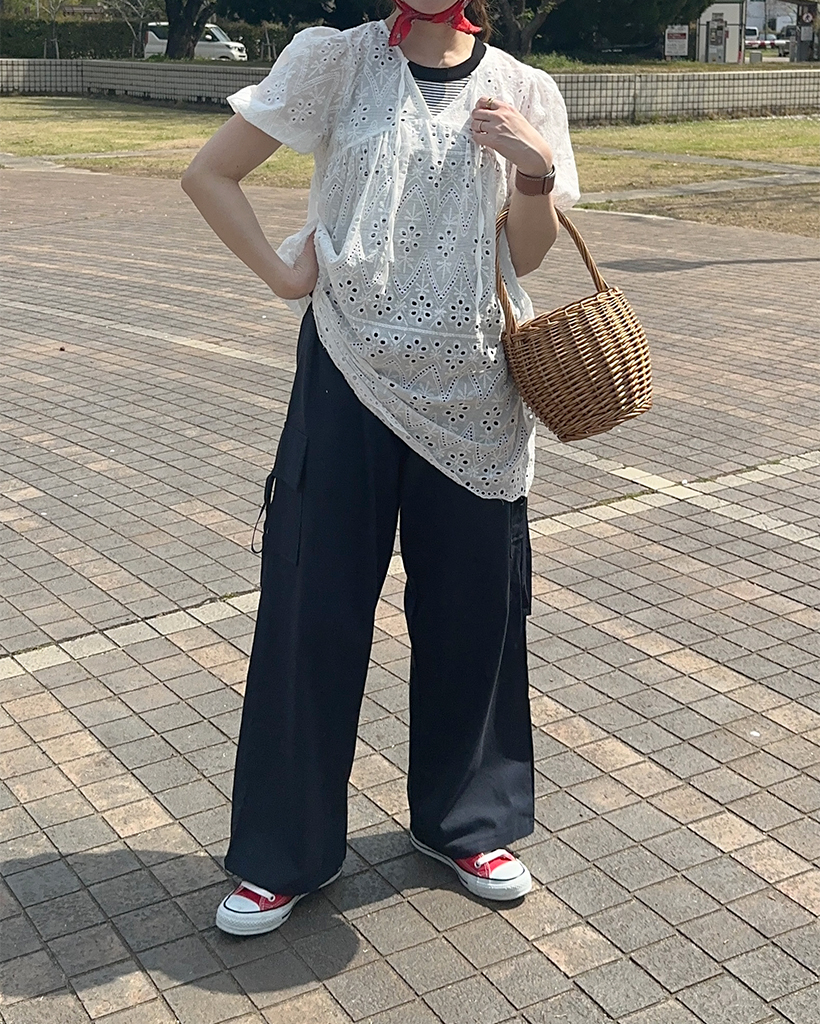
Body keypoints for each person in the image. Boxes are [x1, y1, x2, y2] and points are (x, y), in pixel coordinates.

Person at [182, 0, 579, 937]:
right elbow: (209, 173)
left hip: (478, 393)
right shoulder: (336, 62)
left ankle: (466, 821)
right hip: (347, 374)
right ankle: (283, 851)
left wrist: (533, 167)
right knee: (309, 612)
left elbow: (525, 256)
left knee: (475, 614)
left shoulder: (526, 88)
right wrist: (283, 275)